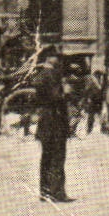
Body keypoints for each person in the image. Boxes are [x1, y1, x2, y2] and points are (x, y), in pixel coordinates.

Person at [33, 49, 73, 202]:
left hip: (45, 121)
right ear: (50, 58)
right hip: (56, 120)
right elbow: (57, 97)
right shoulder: (53, 75)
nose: (59, 60)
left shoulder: (40, 74)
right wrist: (66, 92)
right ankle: (57, 192)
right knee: (57, 156)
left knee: (46, 157)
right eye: (56, 57)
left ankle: (45, 191)